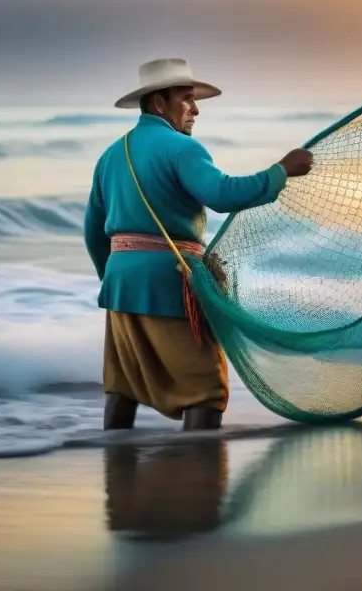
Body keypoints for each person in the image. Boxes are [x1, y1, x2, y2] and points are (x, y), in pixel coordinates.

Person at [84, 57, 313, 431]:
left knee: (124, 385)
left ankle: (116, 471)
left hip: (120, 284)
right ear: (160, 103)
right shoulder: (183, 148)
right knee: (204, 387)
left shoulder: (111, 155)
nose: (196, 110)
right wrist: (281, 170)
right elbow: (221, 194)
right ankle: (197, 478)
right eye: (188, 99)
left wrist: (113, 282)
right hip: (170, 280)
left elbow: (93, 231)